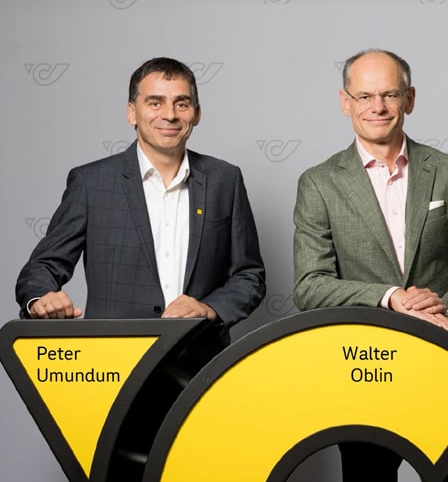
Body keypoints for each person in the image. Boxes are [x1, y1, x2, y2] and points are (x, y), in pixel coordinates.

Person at [292, 49, 448, 482]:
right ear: (345, 102)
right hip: (363, 371)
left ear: (410, 99)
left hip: (442, 365)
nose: (377, 106)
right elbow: (309, 285)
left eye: (390, 94)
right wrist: (390, 297)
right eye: (364, 96)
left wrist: (440, 313)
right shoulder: (319, 182)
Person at [16, 57, 266, 335]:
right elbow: (43, 266)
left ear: (196, 114)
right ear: (132, 113)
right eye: (155, 103)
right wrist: (41, 299)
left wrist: (209, 308)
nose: (170, 115)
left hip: (201, 353)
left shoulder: (225, 180)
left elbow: (249, 275)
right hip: (115, 353)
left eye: (182, 104)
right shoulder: (91, 183)